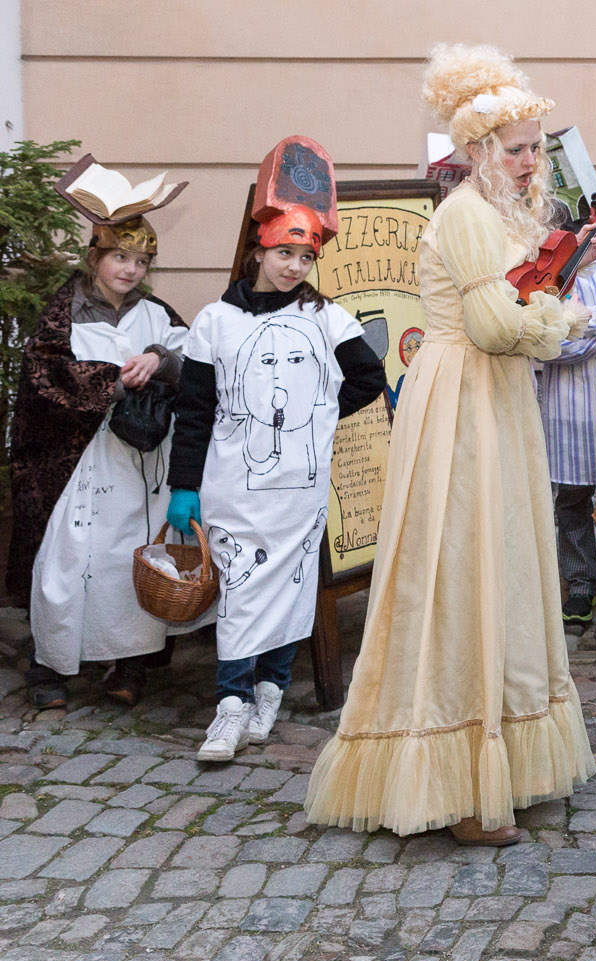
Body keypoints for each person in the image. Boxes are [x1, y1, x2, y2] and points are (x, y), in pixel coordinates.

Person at [302, 45, 591, 844]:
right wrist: (564, 320)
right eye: (516, 148)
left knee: (503, 564)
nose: (531, 161)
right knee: (462, 567)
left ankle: (503, 757)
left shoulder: (500, 213)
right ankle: (461, 783)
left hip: (491, 400)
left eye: (536, 145)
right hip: (462, 397)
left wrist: (549, 298)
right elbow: (499, 328)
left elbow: (510, 312)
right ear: (476, 151)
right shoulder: (467, 213)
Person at [169, 136, 385, 763]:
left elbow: (368, 379)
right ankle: (230, 705)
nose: (293, 267)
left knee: (289, 589)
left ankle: (270, 689)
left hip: (298, 489)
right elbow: (195, 408)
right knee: (239, 592)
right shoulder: (215, 321)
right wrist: (184, 485)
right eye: (284, 253)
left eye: (304, 257)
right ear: (259, 249)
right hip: (232, 485)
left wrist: (314, 420)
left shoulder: (327, 319)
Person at [14, 196, 190, 709]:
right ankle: (49, 665)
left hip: (138, 465)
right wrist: (111, 382)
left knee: (130, 558)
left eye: (141, 262)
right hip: (76, 464)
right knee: (65, 560)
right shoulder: (63, 311)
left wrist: (160, 360)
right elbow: (41, 376)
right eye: (121, 258)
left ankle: (130, 662)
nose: (131, 270)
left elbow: (197, 359)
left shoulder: (156, 313)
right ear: (96, 258)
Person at [540, 236, 596, 627]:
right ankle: (580, 581)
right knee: (572, 501)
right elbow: (546, 343)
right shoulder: (541, 267)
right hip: (564, 411)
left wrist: (574, 323)